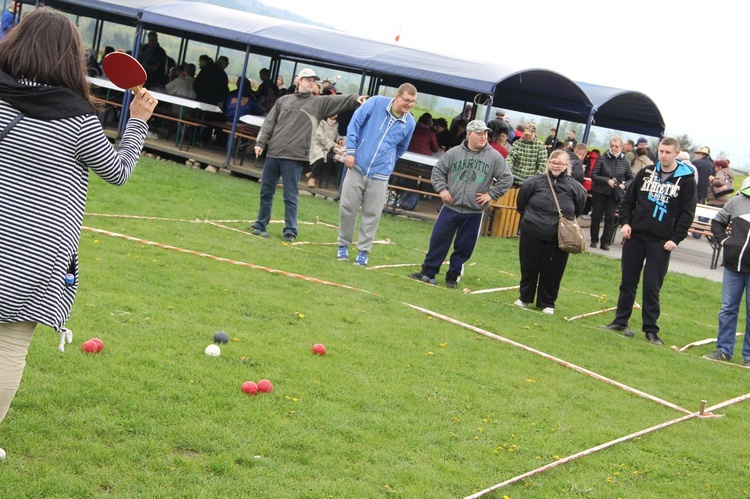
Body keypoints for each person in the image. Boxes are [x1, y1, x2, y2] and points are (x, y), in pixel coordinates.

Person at [0, 6, 158, 459]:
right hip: (33, 254)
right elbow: (119, 170)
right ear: (70, 57)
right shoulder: (76, 117)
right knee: (10, 346)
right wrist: (139, 121)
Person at [251, 68, 366, 242]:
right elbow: (269, 123)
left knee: (290, 195)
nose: (312, 82)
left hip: (295, 156)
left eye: (314, 80)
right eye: (308, 79)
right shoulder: (283, 101)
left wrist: (355, 99)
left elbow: (336, 100)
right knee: (266, 191)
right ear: (299, 81)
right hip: (273, 152)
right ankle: (260, 224)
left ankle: (290, 231)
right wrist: (260, 143)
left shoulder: (318, 103)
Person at [601, 137, 697, 345]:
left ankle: (651, 330)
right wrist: (625, 222)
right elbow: (628, 200)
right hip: (635, 235)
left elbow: (687, 213)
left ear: (676, 154)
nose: (663, 156)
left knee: (652, 286)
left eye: (668, 152)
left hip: (661, 241)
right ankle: (620, 321)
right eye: (661, 151)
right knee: (628, 281)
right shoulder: (646, 173)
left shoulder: (687, 179)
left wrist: (676, 238)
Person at [408, 120, 512, 288]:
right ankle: (428, 272)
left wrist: (491, 194)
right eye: (479, 133)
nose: (483, 136)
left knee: (464, 246)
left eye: (485, 133)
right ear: (468, 134)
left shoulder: (494, 156)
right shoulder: (454, 153)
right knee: (438, 240)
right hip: (450, 207)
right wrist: (442, 190)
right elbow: (438, 172)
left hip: (474, 211)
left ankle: (453, 277)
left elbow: (507, 178)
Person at [337, 83, 417, 265]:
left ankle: (363, 251)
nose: (409, 105)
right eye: (407, 100)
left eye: (413, 102)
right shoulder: (375, 103)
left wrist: (387, 162)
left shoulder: (410, 123)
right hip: (356, 165)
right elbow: (354, 125)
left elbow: (401, 148)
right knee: (347, 207)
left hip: (380, 174)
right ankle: (343, 245)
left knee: (372, 214)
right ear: (397, 96)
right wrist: (351, 151)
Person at [515, 150, 587, 314]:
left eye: (560, 163)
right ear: (548, 163)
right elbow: (521, 205)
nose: (556, 166)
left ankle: (547, 303)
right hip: (532, 232)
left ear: (566, 166)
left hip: (559, 237)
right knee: (529, 267)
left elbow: (579, 209)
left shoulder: (575, 187)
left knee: (553, 271)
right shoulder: (533, 182)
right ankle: (524, 298)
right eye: (553, 162)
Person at [704, 177, 750, 367]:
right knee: (727, 309)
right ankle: (724, 350)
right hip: (733, 266)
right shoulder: (737, 201)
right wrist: (725, 242)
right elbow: (717, 223)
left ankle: (748, 357)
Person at [589, 136, 633, 250]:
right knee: (596, 216)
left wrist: (624, 185)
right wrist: (606, 180)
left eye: (616, 146)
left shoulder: (625, 161)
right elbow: (594, 175)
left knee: (610, 218)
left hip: (614, 194)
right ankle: (594, 240)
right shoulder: (602, 158)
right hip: (600, 191)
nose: (613, 148)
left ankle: (605, 242)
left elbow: (631, 178)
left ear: (621, 147)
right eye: (612, 146)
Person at [193, 54, 229, 147]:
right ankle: (203, 140)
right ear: (224, 64)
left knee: (196, 118)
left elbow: (196, 83)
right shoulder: (223, 75)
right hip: (212, 102)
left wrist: (199, 94)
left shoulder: (205, 69)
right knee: (208, 122)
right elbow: (223, 91)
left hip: (200, 99)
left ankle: (192, 137)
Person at [307, 114, 342, 188]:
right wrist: (332, 144)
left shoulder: (336, 124)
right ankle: (312, 178)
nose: (336, 116)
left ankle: (312, 172)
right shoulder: (321, 122)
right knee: (320, 158)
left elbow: (336, 134)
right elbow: (319, 135)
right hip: (317, 145)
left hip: (328, 148)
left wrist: (340, 139)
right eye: (334, 114)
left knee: (329, 159)